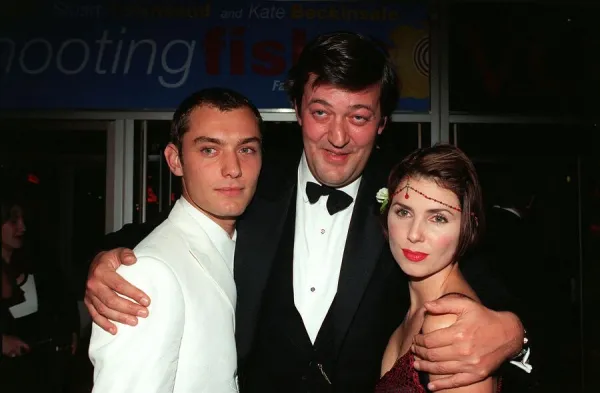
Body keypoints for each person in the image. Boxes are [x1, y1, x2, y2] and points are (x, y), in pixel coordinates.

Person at [84, 32, 531, 392]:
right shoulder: (251, 181)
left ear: (381, 123)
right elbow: (171, 229)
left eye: (357, 117)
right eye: (321, 112)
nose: (337, 137)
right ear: (298, 110)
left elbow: (482, 267)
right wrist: (108, 261)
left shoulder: (406, 199)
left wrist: (513, 332)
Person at [88, 87, 263, 392]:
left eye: (246, 149)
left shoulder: (251, 241)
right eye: (210, 149)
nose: (233, 169)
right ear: (175, 160)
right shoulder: (147, 272)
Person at [374, 144, 505, 393]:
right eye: (403, 212)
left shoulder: (448, 323)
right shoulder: (410, 312)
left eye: (438, 218)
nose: (414, 234)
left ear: (468, 226)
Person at [1, 195, 80, 393]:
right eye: (13, 221)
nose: (22, 227)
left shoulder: (36, 261)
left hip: (40, 374)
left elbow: (63, 299)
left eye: (22, 220)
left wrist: (70, 330)